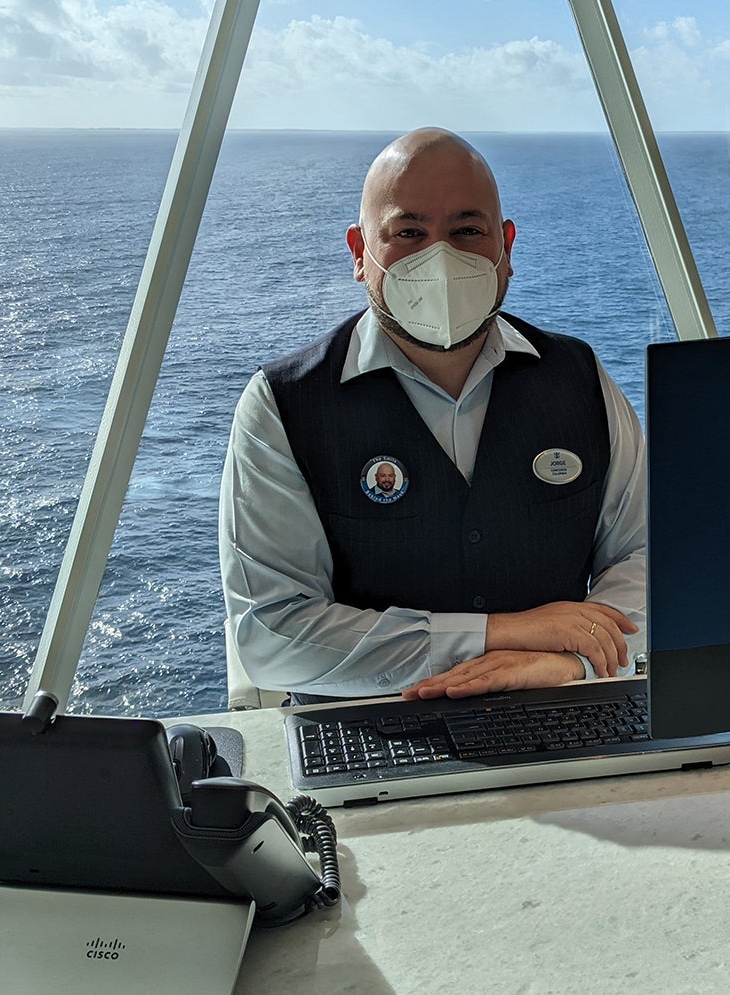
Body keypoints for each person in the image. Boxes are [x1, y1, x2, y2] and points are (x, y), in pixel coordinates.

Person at [219, 127, 646, 704]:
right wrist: (499, 635)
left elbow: (649, 556)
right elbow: (271, 636)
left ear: (507, 247)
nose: (439, 257)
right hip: (367, 743)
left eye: (467, 230)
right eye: (408, 232)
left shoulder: (581, 379)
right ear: (359, 252)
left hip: (566, 717)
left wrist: (576, 661)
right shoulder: (282, 406)